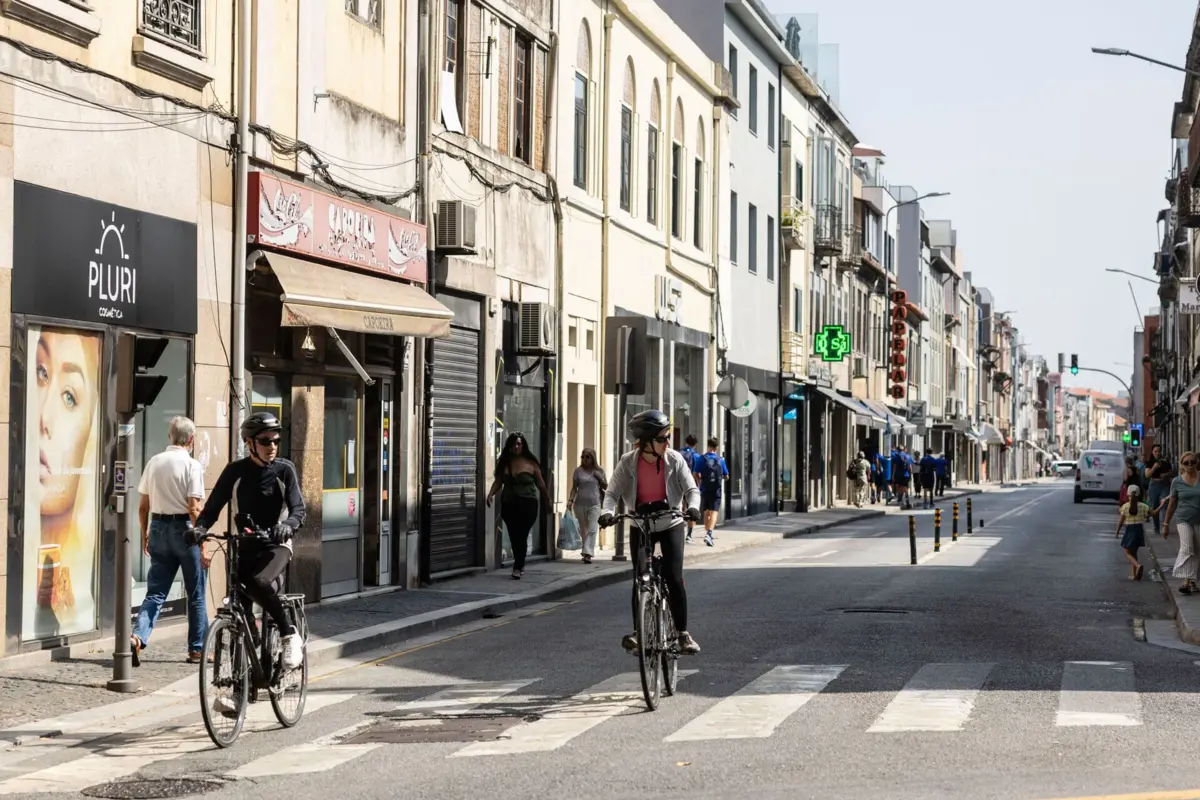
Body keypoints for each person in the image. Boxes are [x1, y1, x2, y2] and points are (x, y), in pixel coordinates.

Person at [193, 411, 306, 670]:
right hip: (244, 545)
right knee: (239, 604)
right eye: (265, 441)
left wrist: (286, 526)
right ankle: (237, 684)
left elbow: (299, 509)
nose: (272, 446)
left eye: (276, 441)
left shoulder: (284, 470)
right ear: (250, 443)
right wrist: (199, 528)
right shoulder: (235, 471)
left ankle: (289, 634)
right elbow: (212, 508)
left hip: (276, 544)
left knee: (259, 581)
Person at [598, 410, 702, 655]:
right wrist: (607, 512)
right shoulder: (628, 462)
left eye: (667, 437)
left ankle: (682, 634)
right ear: (645, 442)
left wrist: (694, 508)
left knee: (674, 578)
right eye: (662, 438)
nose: (668, 442)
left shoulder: (674, 460)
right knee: (640, 578)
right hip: (640, 524)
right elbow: (612, 494)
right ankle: (638, 632)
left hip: (671, 523)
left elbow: (691, 490)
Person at [131, 416, 208, 666]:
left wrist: (146, 533)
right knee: (196, 593)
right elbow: (194, 508)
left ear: (170, 437)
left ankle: (138, 636)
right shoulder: (192, 465)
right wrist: (203, 544)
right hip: (185, 530)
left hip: (158, 527)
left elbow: (143, 506)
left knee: (155, 592)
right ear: (192, 439)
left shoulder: (154, 462)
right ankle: (197, 649)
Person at [486, 433, 551, 580]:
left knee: (522, 534)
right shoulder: (504, 463)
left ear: (523, 445)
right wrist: (490, 494)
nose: (517, 447)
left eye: (519, 444)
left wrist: (547, 500)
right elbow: (498, 482)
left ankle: (518, 565)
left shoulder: (531, 464)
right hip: (509, 504)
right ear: (509, 446)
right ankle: (519, 564)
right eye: (514, 444)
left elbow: (541, 484)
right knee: (514, 536)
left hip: (528, 504)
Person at [567, 448, 606, 564]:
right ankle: (586, 550)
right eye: (583, 457)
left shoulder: (599, 471)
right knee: (583, 529)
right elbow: (574, 488)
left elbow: (606, 487)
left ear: (592, 458)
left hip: (595, 504)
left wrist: (599, 478)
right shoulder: (578, 471)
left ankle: (587, 553)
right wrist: (570, 501)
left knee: (593, 529)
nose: (584, 459)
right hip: (579, 504)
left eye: (587, 457)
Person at [695, 437, 729, 546]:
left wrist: (699, 480)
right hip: (716, 490)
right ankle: (709, 534)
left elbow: (695, 473)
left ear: (708, 446)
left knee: (706, 512)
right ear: (717, 447)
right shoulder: (721, 460)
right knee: (714, 512)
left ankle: (707, 533)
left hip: (704, 488)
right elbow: (727, 476)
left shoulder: (701, 458)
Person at [1115, 484, 1149, 581]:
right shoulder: (1143, 506)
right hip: (1139, 530)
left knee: (1127, 552)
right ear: (1139, 495)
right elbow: (1153, 513)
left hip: (1130, 530)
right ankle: (1134, 574)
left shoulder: (1125, 507)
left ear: (1128, 495)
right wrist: (1162, 504)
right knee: (1134, 552)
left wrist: (1117, 532)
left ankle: (1138, 566)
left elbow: (1121, 521)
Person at [678, 435, 701, 543]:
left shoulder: (678, 453)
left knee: (679, 506)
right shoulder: (696, 456)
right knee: (691, 508)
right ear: (695, 444)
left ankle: (678, 528)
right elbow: (697, 473)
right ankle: (689, 535)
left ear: (686, 442)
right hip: (690, 485)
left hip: (677, 483)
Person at [1145, 445, 1172, 536]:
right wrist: (1154, 468)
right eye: (1155, 451)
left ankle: (1164, 526)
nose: (1157, 453)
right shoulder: (1150, 462)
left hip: (1164, 484)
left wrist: (1166, 475)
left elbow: (1172, 472)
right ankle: (1156, 527)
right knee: (1154, 506)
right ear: (1152, 452)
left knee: (1164, 504)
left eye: (1159, 451)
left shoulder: (1165, 461)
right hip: (1154, 485)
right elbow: (1147, 475)